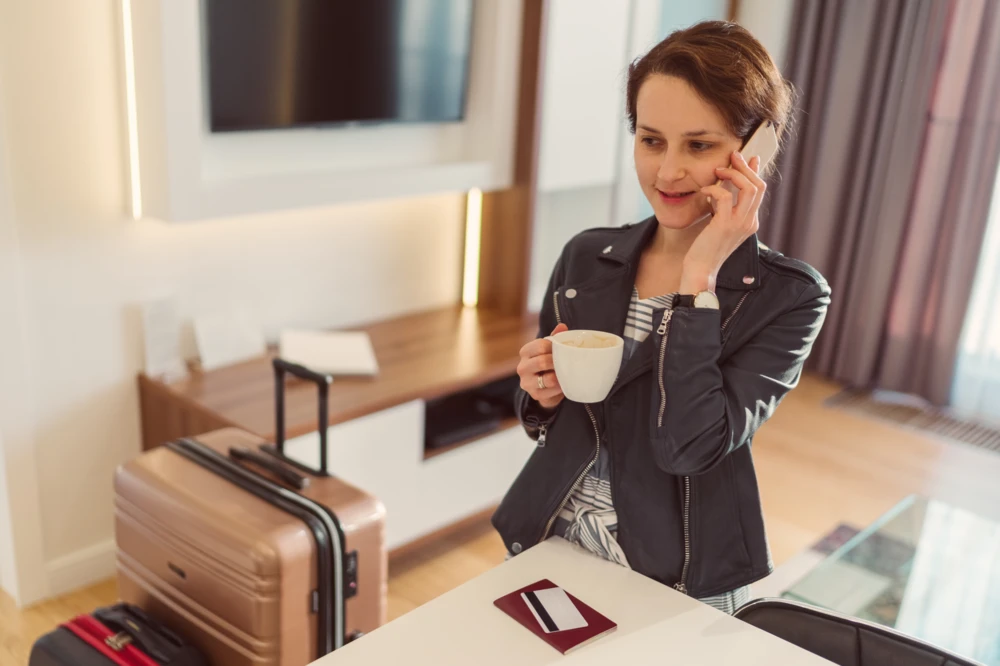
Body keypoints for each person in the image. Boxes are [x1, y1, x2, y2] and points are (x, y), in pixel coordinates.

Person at [491, 20, 831, 615]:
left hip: (677, 575)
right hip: (551, 541)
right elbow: (548, 423)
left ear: (757, 152)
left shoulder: (791, 298)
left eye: (698, 145)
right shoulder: (586, 255)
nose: (667, 172)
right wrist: (540, 394)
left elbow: (691, 446)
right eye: (651, 140)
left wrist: (698, 279)